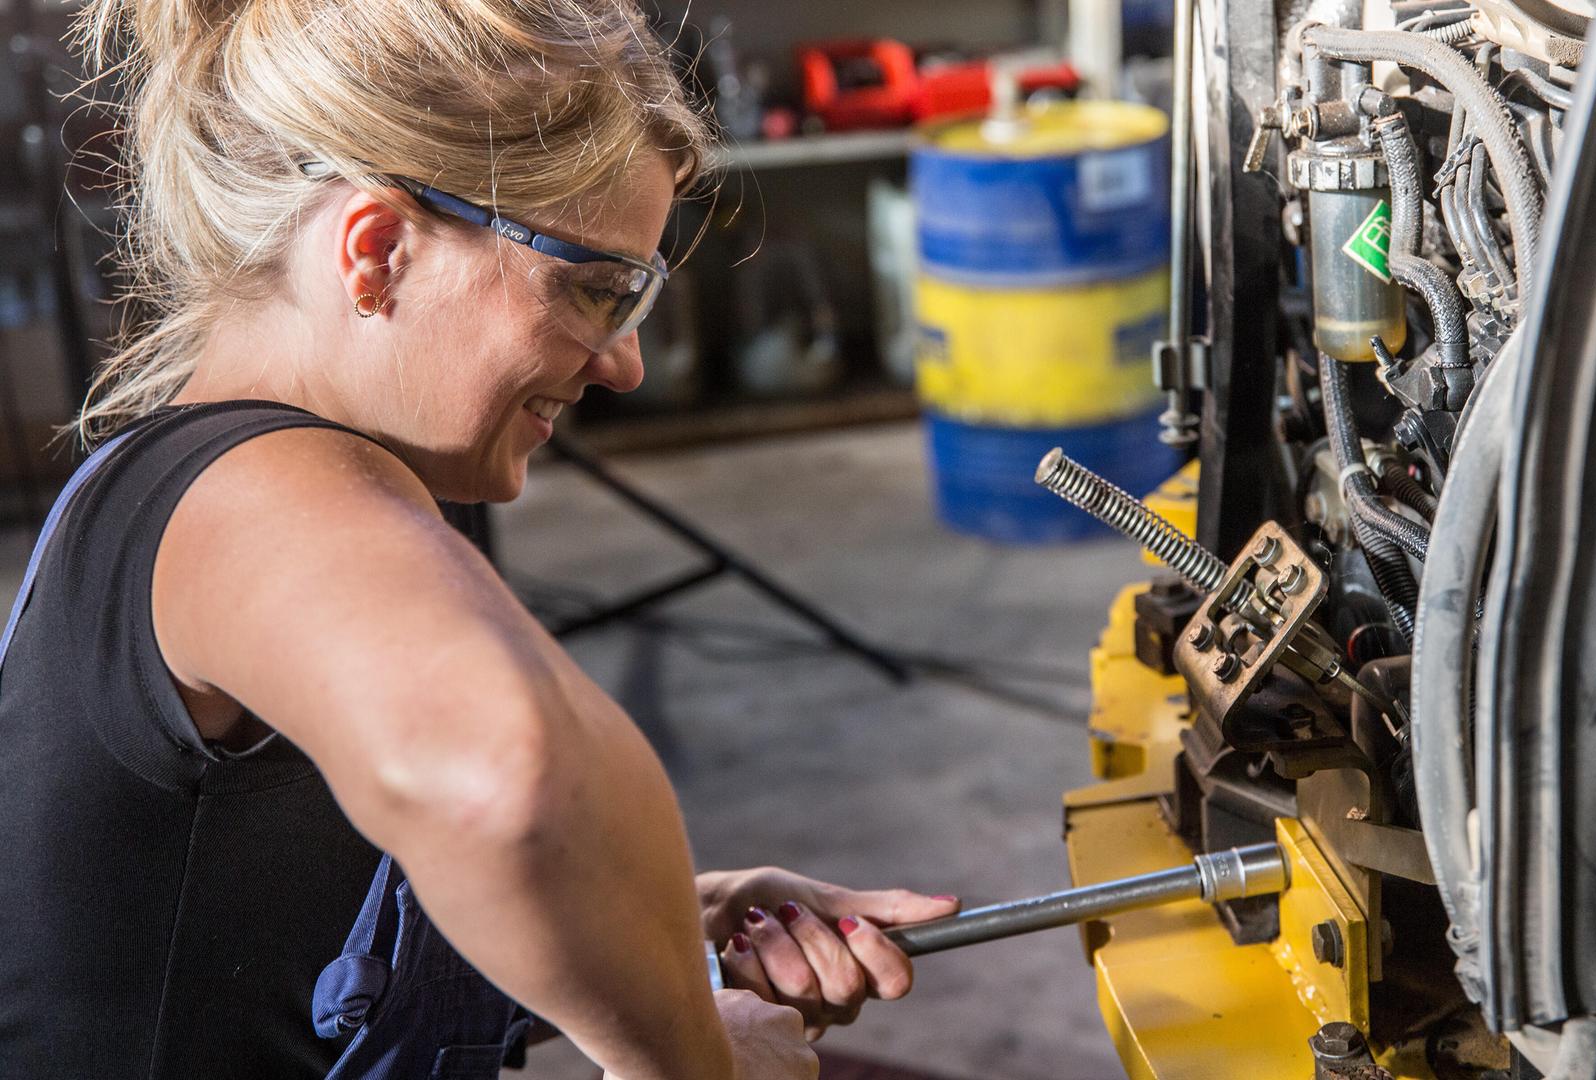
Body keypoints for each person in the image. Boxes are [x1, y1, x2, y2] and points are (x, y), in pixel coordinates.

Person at [0, 2, 959, 1078]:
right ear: (378, 251)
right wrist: (697, 1063)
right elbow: (506, 781)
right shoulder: (255, 485)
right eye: (595, 289)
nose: (625, 363)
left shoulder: (210, 488)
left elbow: (281, 959)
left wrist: (663, 929)